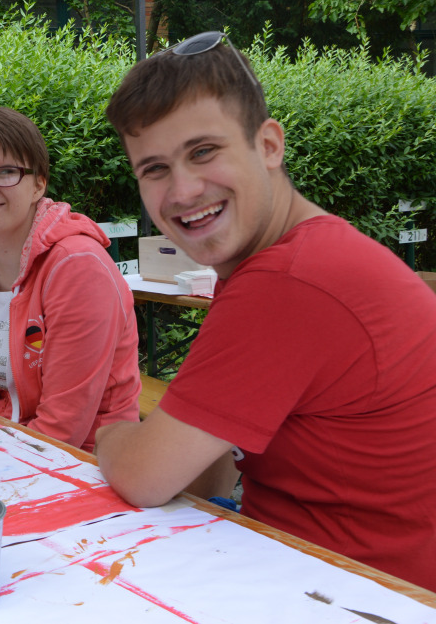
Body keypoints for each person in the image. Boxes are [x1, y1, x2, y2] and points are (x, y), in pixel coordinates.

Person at [96, 31, 436, 591]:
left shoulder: (290, 281)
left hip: (356, 591)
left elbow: (142, 476)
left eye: (203, 151)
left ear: (269, 145)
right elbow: (213, 463)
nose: (182, 190)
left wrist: (110, 435)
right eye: (154, 169)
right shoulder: (299, 254)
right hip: (315, 564)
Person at [0, 107, 140, 452]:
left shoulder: (76, 267)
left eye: (5, 172)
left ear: (38, 184)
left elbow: (64, 428)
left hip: (88, 466)